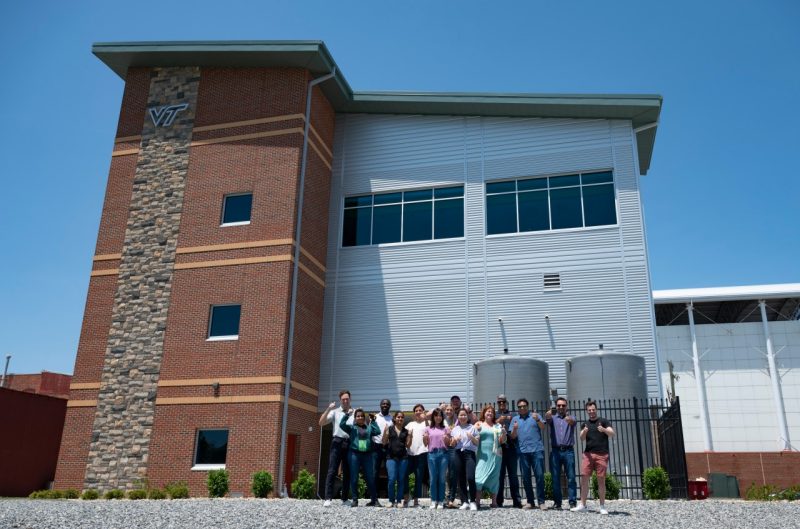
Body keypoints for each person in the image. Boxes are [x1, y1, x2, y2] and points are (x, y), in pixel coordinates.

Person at [571, 400, 615, 515]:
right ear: (587, 411)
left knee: (601, 480)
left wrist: (604, 430)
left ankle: (602, 506)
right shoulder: (585, 424)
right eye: (589, 410)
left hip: (602, 454)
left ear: (596, 410)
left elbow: (612, 433)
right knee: (584, 479)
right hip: (588, 454)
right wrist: (584, 432)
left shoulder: (603, 421)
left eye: (593, 410)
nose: (591, 412)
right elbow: (581, 438)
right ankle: (582, 505)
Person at [510, 397, 547, 509]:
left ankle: (541, 502)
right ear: (518, 408)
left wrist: (537, 420)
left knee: (539, 476)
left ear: (527, 407)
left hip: (537, 450)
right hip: (522, 452)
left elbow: (543, 427)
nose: (522, 408)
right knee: (526, 478)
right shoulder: (515, 419)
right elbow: (512, 436)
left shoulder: (535, 416)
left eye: (524, 406)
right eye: (520, 407)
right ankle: (530, 501)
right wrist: (515, 429)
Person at [339, 408, 381, 507]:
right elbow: (341, 425)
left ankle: (374, 500)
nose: (360, 417)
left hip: (367, 455)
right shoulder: (351, 428)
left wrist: (373, 421)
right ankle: (355, 500)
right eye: (358, 416)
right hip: (354, 454)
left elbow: (378, 431)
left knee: (370, 478)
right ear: (355, 418)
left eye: (362, 416)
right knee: (354, 477)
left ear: (364, 417)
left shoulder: (369, 427)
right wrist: (346, 415)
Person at [319, 389, 354, 507]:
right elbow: (321, 423)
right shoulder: (335, 412)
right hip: (337, 442)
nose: (345, 401)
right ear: (340, 400)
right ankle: (328, 498)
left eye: (347, 399)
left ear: (350, 399)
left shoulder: (354, 413)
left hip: (349, 443)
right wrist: (329, 408)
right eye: (343, 399)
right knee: (332, 470)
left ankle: (344, 499)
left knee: (347, 472)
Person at [546, 397, 577, 510]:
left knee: (571, 477)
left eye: (563, 405)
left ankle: (572, 502)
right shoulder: (553, 419)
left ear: (566, 406)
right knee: (555, 478)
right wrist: (547, 415)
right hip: (555, 451)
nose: (561, 407)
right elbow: (547, 420)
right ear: (556, 406)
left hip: (568, 451)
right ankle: (557, 502)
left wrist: (569, 420)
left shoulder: (571, 417)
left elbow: (573, 422)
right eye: (559, 405)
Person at [446, 408, 479, 511]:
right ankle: (464, 501)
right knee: (461, 478)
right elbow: (451, 444)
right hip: (458, 453)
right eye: (460, 415)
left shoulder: (472, 428)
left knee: (470, 477)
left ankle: (472, 501)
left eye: (464, 415)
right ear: (458, 417)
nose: (463, 417)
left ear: (467, 416)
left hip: (469, 454)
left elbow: (477, 443)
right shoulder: (455, 429)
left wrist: (471, 437)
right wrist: (455, 440)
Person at [474, 404, 505, 508]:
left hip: (495, 455)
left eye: (492, 412)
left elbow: (502, 441)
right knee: (478, 476)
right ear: (484, 413)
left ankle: (494, 502)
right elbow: (474, 436)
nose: (490, 413)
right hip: (482, 455)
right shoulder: (479, 424)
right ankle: (477, 501)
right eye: (488, 411)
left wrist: (504, 434)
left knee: (494, 477)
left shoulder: (497, 426)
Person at [495, 394, 522, 508]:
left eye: (503, 402)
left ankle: (516, 500)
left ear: (506, 403)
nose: (502, 404)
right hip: (499, 449)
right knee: (499, 476)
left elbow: (516, 430)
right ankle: (498, 500)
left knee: (513, 476)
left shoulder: (513, 415)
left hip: (511, 448)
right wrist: (498, 420)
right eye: (499, 402)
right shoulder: (495, 415)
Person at [382, 411, 411, 508]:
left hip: (403, 458)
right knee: (391, 479)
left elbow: (408, 445)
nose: (400, 419)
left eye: (402, 417)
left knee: (401, 480)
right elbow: (384, 442)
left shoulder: (405, 431)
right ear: (394, 418)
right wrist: (385, 433)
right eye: (398, 417)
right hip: (391, 457)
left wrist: (410, 436)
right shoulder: (389, 429)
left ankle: (399, 500)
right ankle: (391, 500)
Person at [423, 408, 450, 509]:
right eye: (436, 415)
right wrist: (424, 438)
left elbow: (449, 443)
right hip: (432, 454)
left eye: (440, 415)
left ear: (442, 417)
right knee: (433, 478)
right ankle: (434, 500)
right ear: (433, 417)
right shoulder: (428, 428)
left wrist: (447, 439)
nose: (438, 417)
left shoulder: (446, 428)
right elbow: (425, 444)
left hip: (443, 454)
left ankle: (441, 500)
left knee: (442, 478)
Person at [404, 403, 429, 507]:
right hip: (410, 453)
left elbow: (430, 429)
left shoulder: (427, 423)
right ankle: (406, 497)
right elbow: (403, 435)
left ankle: (416, 500)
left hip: (422, 453)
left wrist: (426, 418)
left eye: (420, 410)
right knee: (404, 474)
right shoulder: (410, 424)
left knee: (418, 477)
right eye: (416, 411)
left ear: (423, 412)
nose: (418, 412)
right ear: (414, 413)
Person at [372, 399, 393, 500]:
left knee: (390, 472)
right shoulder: (375, 417)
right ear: (380, 405)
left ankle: (390, 496)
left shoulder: (392, 418)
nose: (385, 405)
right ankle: (374, 497)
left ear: (390, 406)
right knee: (374, 472)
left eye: (387, 404)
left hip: (388, 447)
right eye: (383, 404)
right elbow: (370, 430)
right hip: (376, 447)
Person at [443, 404, 460, 508]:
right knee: (444, 474)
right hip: (443, 449)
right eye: (447, 410)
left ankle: (452, 498)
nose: (449, 411)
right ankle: (445, 497)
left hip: (453, 448)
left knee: (452, 473)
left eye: (451, 410)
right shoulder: (441, 420)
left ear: (454, 411)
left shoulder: (457, 421)